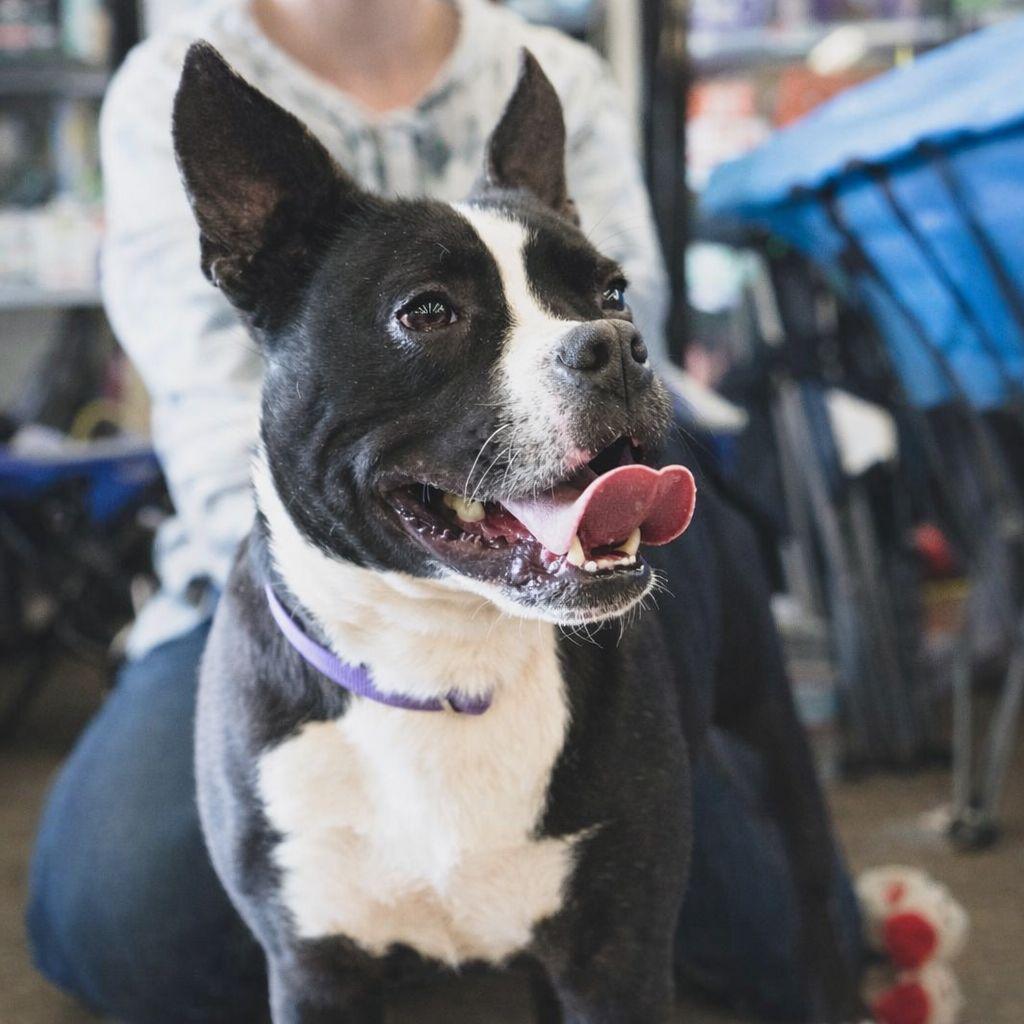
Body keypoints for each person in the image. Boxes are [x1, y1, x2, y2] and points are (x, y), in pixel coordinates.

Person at [26, 1, 862, 1021]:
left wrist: (546, 509)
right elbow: (220, 432)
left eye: (596, 300)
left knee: (786, 953)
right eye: (429, 310)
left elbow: (617, 365)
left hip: (576, 589)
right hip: (294, 607)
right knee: (127, 930)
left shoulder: (554, 68)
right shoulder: (175, 88)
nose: (596, 336)